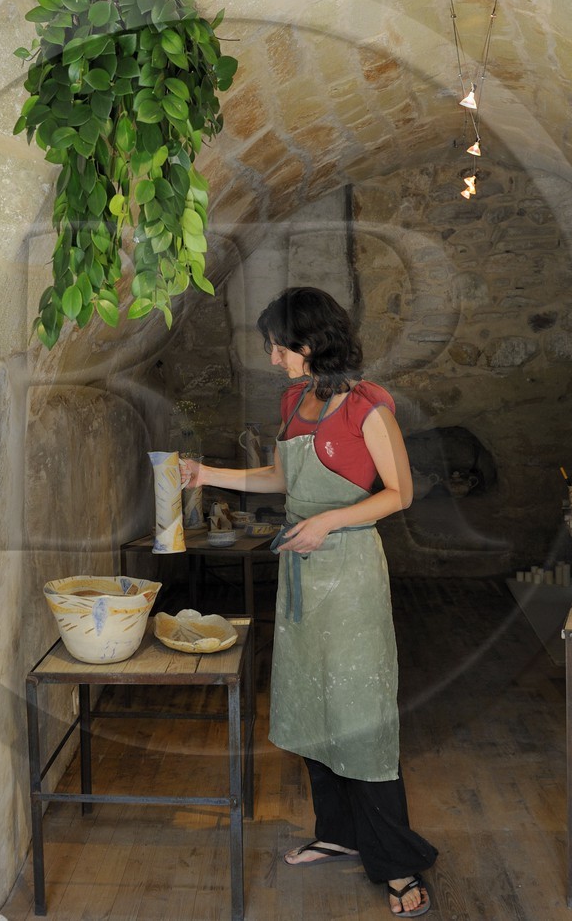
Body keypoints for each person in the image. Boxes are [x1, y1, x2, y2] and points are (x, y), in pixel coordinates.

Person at [179, 286, 438, 919]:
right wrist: (205, 473)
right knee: (312, 698)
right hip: (303, 569)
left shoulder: (368, 406)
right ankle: (340, 833)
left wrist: (330, 523)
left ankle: (398, 863)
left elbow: (400, 492)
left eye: (276, 346)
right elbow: (279, 479)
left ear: (307, 344)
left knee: (360, 707)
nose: (271, 358)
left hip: (348, 571)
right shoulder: (295, 400)